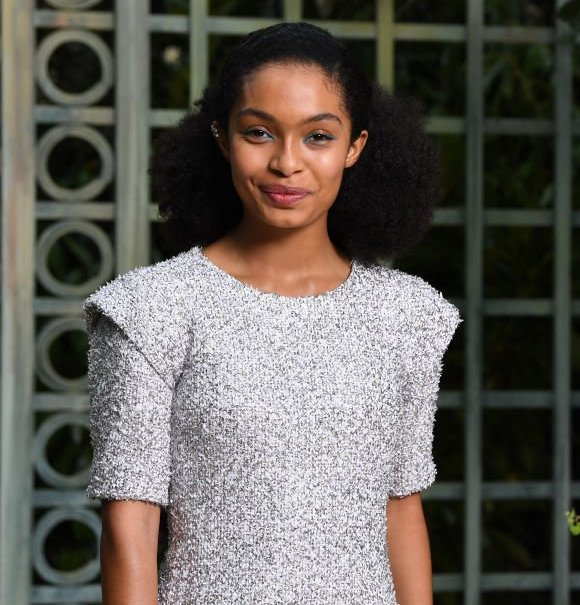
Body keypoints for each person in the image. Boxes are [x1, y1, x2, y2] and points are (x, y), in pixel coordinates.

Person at [84, 22, 458, 605]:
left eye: (318, 137)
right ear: (221, 138)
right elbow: (128, 525)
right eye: (259, 132)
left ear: (354, 147)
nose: (288, 163)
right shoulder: (150, 311)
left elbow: (401, 507)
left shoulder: (406, 315)